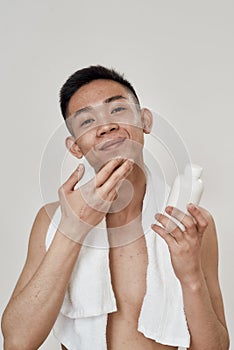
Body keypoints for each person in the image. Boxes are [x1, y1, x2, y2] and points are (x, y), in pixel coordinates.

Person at [1, 65, 229, 350]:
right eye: (86, 121)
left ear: (145, 121)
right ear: (75, 147)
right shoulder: (53, 222)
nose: (105, 126)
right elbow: (17, 341)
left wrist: (190, 275)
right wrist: (72, 229)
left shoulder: (188, 224)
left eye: (118, 110)